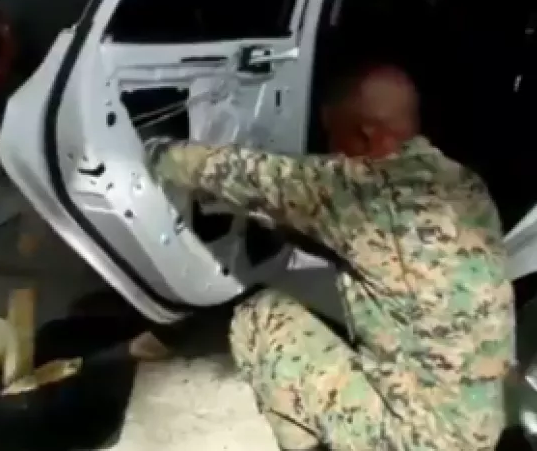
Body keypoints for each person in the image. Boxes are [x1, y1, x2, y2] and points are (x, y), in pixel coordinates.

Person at [142, 64, 515, 451]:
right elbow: (373, 250)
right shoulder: (464, 183)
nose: (331, 150)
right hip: (479, 427)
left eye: (333, 135)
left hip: (419, 440)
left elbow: (236, 173)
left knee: (261, 318)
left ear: (364, 134)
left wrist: (154, 152)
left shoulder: (358, 190)